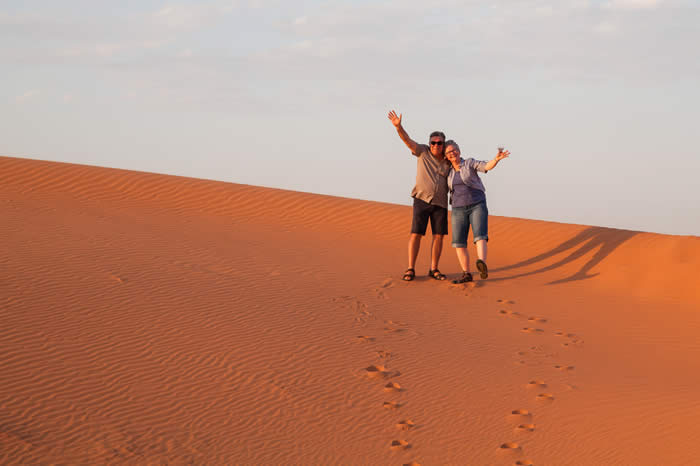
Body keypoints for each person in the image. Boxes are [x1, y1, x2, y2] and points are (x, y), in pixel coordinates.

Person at [387, 110, 451, 281]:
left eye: (439, 143)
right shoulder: (422, 151)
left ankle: (434, 269)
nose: (436, 145)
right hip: (422, 199)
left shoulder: (448, 160)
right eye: (433, 142)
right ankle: (410, 268)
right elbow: (407, 141)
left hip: (441, 203)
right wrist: (398, 127)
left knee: (438, 236)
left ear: (444, 145)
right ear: (429, 143)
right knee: (416, 234)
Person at [444, 140, 510, 284]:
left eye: (454, 150)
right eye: (449, 152)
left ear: (459, 151)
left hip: (477, 204)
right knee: (458, 242)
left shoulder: (469, 163)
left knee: (480, 235)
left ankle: (481, 263)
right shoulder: (447, 171)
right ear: (446, 156)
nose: (452, 153)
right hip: (458, 208)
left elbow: (486, 166)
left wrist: (496, 159)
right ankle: (466, 274)